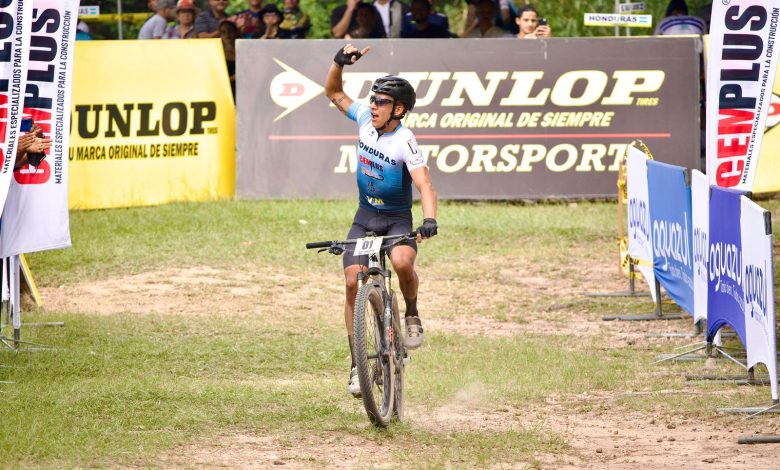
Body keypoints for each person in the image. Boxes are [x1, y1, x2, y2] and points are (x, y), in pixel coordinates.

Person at [324, 44, 438, 397]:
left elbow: (424, 183)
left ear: (399, 109)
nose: (372, 105)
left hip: (396, 218)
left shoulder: (405, 139)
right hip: (365, 217)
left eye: (381, 102)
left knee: (403, 261)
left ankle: (412, 313)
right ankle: (358, 364)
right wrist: (338, 62)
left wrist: (429, 218)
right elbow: (333, 92)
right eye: (372, 99)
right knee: (351, 281)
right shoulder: (362, 119)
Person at [219, 20, 238, 100]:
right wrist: (232, 78)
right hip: (225, 93)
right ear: (220, 35)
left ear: (235, 33)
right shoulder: (218, 53)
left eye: (230, 31)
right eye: (223, 32)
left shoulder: (243, 50)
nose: (227, 35)